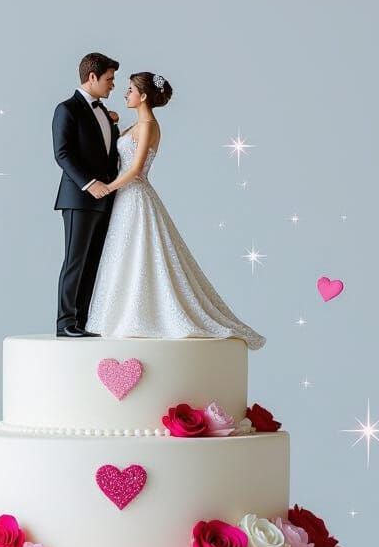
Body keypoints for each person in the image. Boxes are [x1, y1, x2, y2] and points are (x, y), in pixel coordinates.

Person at [85, 72, 265, 349]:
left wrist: (108, 188)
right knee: (125, 253)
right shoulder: (137, 125)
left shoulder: (147, 126)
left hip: (134, 195)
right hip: (125, 197)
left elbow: (134, 170)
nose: (125, 93)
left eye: (130, 89)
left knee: (141, 253)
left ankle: (140, 317)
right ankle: (122, 315)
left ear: (143, 96)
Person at [51, 52, 121, 338]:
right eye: (109, 79)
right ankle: (65, 323)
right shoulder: (66, 109)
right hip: (79, 197)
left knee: (93, 261)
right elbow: (62, 153)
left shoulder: (104, 112)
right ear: (92, 77)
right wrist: (88, 183)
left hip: (106, 198)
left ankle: (81, 321)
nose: (112, 85)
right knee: (75, 260)